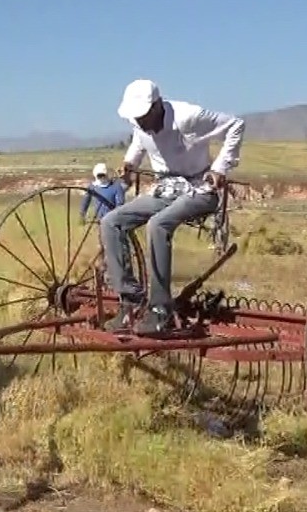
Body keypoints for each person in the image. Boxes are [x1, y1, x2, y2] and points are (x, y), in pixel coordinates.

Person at [99, 78, 245, 336]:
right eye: (136, 118)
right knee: (111, 222)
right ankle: (130, 301)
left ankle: (160, 310)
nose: (140, 122)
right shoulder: (140, 122)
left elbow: (235, 125)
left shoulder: (189, 116)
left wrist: (220, 168)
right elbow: (138, 140)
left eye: (143, 116)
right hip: (166, 188)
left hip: (200, 189)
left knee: (158, 224)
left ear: (157, 105)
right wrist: (130, 164)